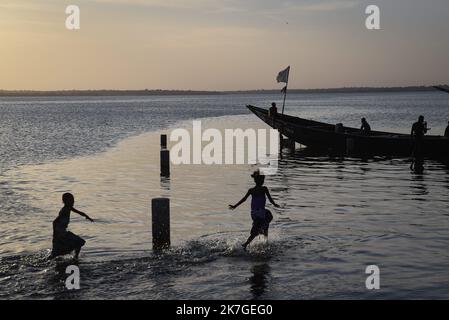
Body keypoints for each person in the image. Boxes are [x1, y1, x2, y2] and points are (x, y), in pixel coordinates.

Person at [229, 171, 280, 250]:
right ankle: (247, 244)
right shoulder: (264, 189)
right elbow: (270, 199)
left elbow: (244, 199)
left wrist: (235, 206)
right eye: (263, 180)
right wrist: (275, 204)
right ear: (261, 181)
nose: (263, 181)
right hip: (261, 212)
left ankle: (261, 233)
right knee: (263, 224)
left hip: (253, 213)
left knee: (266, 219)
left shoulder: (251, 190)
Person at [50, 193, 94, 260]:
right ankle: (75, 258)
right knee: (79, 242)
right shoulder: (65, 210)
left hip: (62, 232)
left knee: (57, 251)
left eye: (73, 200)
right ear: (65, 201)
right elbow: (55, 222)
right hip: (61, 233)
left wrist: (87, 217)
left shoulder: (69, 207)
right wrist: (55, 234)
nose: (73, 202)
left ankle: (75, 257)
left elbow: (79, 212)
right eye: (71, 200)